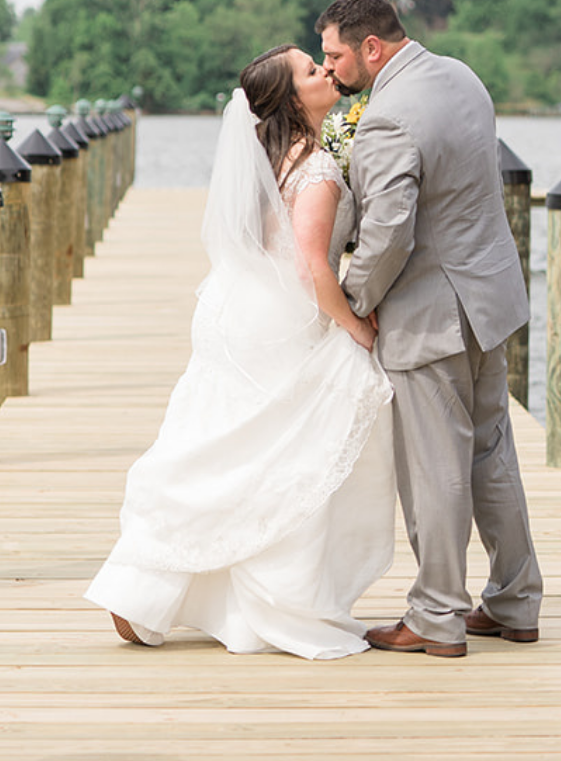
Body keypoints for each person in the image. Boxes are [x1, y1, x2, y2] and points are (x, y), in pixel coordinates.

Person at [84, 44, 395, 660]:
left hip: (237, 308)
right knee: (279, 455)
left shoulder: (274, 158)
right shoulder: (317, 171)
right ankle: (266, 600)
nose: (326, 72)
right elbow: (311, 267)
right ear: (291, 100)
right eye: (312, 71)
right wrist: (356, 327)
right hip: (281, 320)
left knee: (224, 442)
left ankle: (150, 582)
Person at [317, 0, 543, 658]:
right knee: (490, 451)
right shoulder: (461, 77)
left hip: (431, 314)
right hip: (490, 300)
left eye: (335, 56)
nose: (330, 70)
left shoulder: (386, 117)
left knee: (434, 464)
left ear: (372, 48)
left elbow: (388, 232)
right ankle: (515, 600)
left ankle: (438, 615)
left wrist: (352, 299)